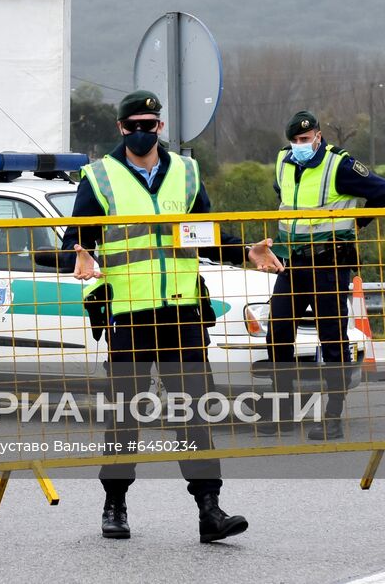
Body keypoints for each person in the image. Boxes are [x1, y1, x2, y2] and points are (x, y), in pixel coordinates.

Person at [45, 90, 283, 542]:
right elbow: (75, 244)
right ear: (120, 128)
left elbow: (203, 235)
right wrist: (77, 255)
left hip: (182, 311)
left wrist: (242, 252)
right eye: (132, 124)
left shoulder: (187, 173)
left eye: (148, 124)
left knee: (196, 411)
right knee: (125, 413)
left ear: (160, 127)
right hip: (129, 314)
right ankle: (114, 504)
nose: (140, 132)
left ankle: (209, 510)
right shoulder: (99, 178)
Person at [268, 110, 385, 440]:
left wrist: (356, 224)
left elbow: (383, 191)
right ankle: (282, 410)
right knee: (277, 333)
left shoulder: (339, 165)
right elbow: (282, 196)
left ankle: (332, 415)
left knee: (332, 340)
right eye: (294, 141)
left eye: (305, 140)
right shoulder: (283, 160)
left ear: (319, 137)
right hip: (292, 262)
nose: (299, 146)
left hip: (328, 263)